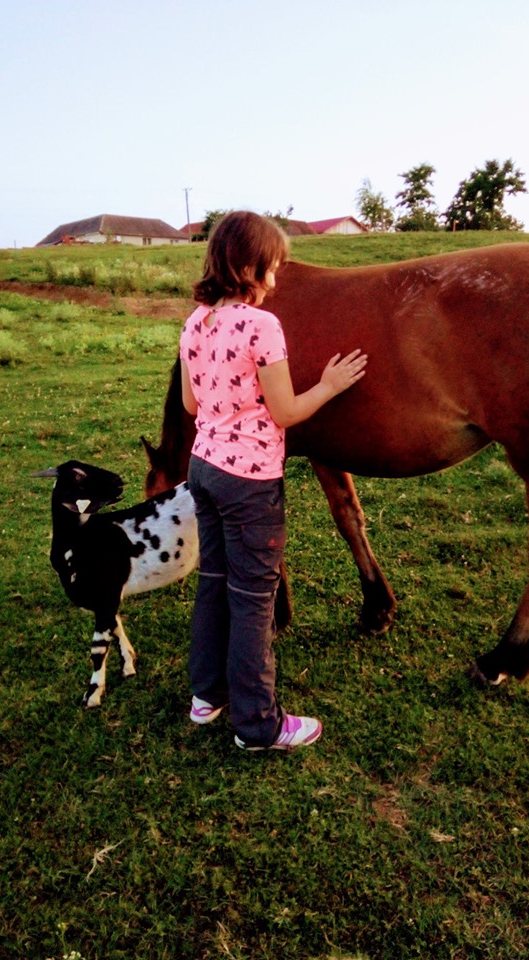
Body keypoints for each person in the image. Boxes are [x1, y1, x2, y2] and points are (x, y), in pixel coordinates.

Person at [179, 211, 367, 751]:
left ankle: (206, 696)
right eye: (271, 268)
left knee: (214, 581)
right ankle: (258, 724)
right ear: (245, 266)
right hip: (249, 479)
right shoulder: (262, 326)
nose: (276, 280)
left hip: (204, 469)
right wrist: (329, 385)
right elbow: (285, 411)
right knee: (254, 598)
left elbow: (193, 403)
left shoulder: (195, 322)